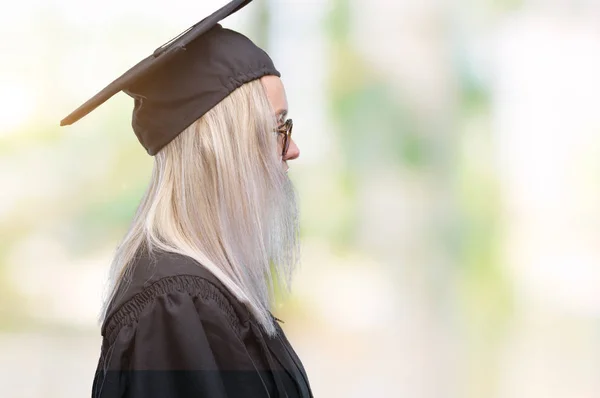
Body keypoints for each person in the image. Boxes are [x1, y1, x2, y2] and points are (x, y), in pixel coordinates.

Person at [60, 1, 313, 397]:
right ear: (222, 147)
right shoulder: (174, 303)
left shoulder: (204, 286)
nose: (292, 148)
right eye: (279, 127)